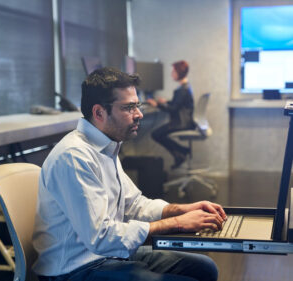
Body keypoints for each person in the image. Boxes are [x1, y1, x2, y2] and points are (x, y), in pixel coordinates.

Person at [32, 67, 227, 281]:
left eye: (137, 105)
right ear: (99, 113)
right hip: (75, 268)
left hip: (108, 254)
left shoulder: (107, 144)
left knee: (205, 268)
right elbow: (101, 236)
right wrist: (177, 223)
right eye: (129, 107)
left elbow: (133, 204)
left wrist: (179, 210)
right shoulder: (74, 156)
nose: (139, 114)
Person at [147, 60, 195, 169]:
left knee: (156, 134)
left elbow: (173, 109)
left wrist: (157, 105)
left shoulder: (181, 90)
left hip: (180, 123)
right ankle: (181, 153)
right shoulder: (186, 87)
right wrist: (165, 102)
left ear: (179, 72)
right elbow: (177, 104)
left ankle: (182, 152)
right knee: (159, 134)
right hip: (186, 121)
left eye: (173, 71)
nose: (172, 74)